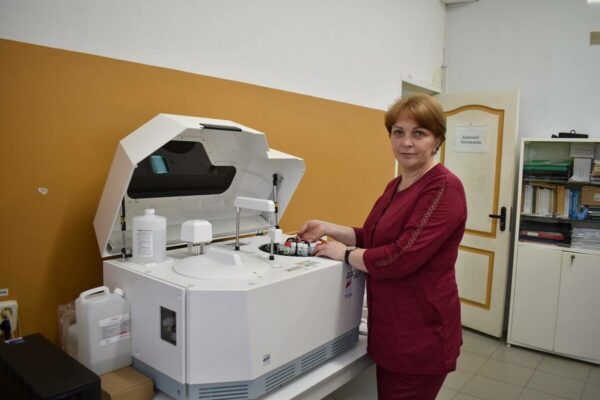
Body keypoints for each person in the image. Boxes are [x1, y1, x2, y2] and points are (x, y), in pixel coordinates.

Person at [297, 94, 467, 400]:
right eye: (398, 132)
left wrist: (343, 253)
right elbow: (373, 237)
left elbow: (400, 256)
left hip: (420, 335)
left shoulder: (443, 188)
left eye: (419, 133)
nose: (406, 143)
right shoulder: (396, 184)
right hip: (390, 327)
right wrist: (328, 228)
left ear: (438, 140)